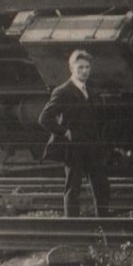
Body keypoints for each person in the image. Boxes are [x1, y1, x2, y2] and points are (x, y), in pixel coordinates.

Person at [38, 49, 112, 218]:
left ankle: (103, 227)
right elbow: (44, 118)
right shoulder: (63, 91)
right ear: (71, 68)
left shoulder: (90, 91)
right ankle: (72, 229)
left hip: (92, 147)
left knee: (102, 188)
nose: (84, 71)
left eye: (87, 67)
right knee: (73, 190)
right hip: (74, 148)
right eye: (80, 68)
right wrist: (65, 132)